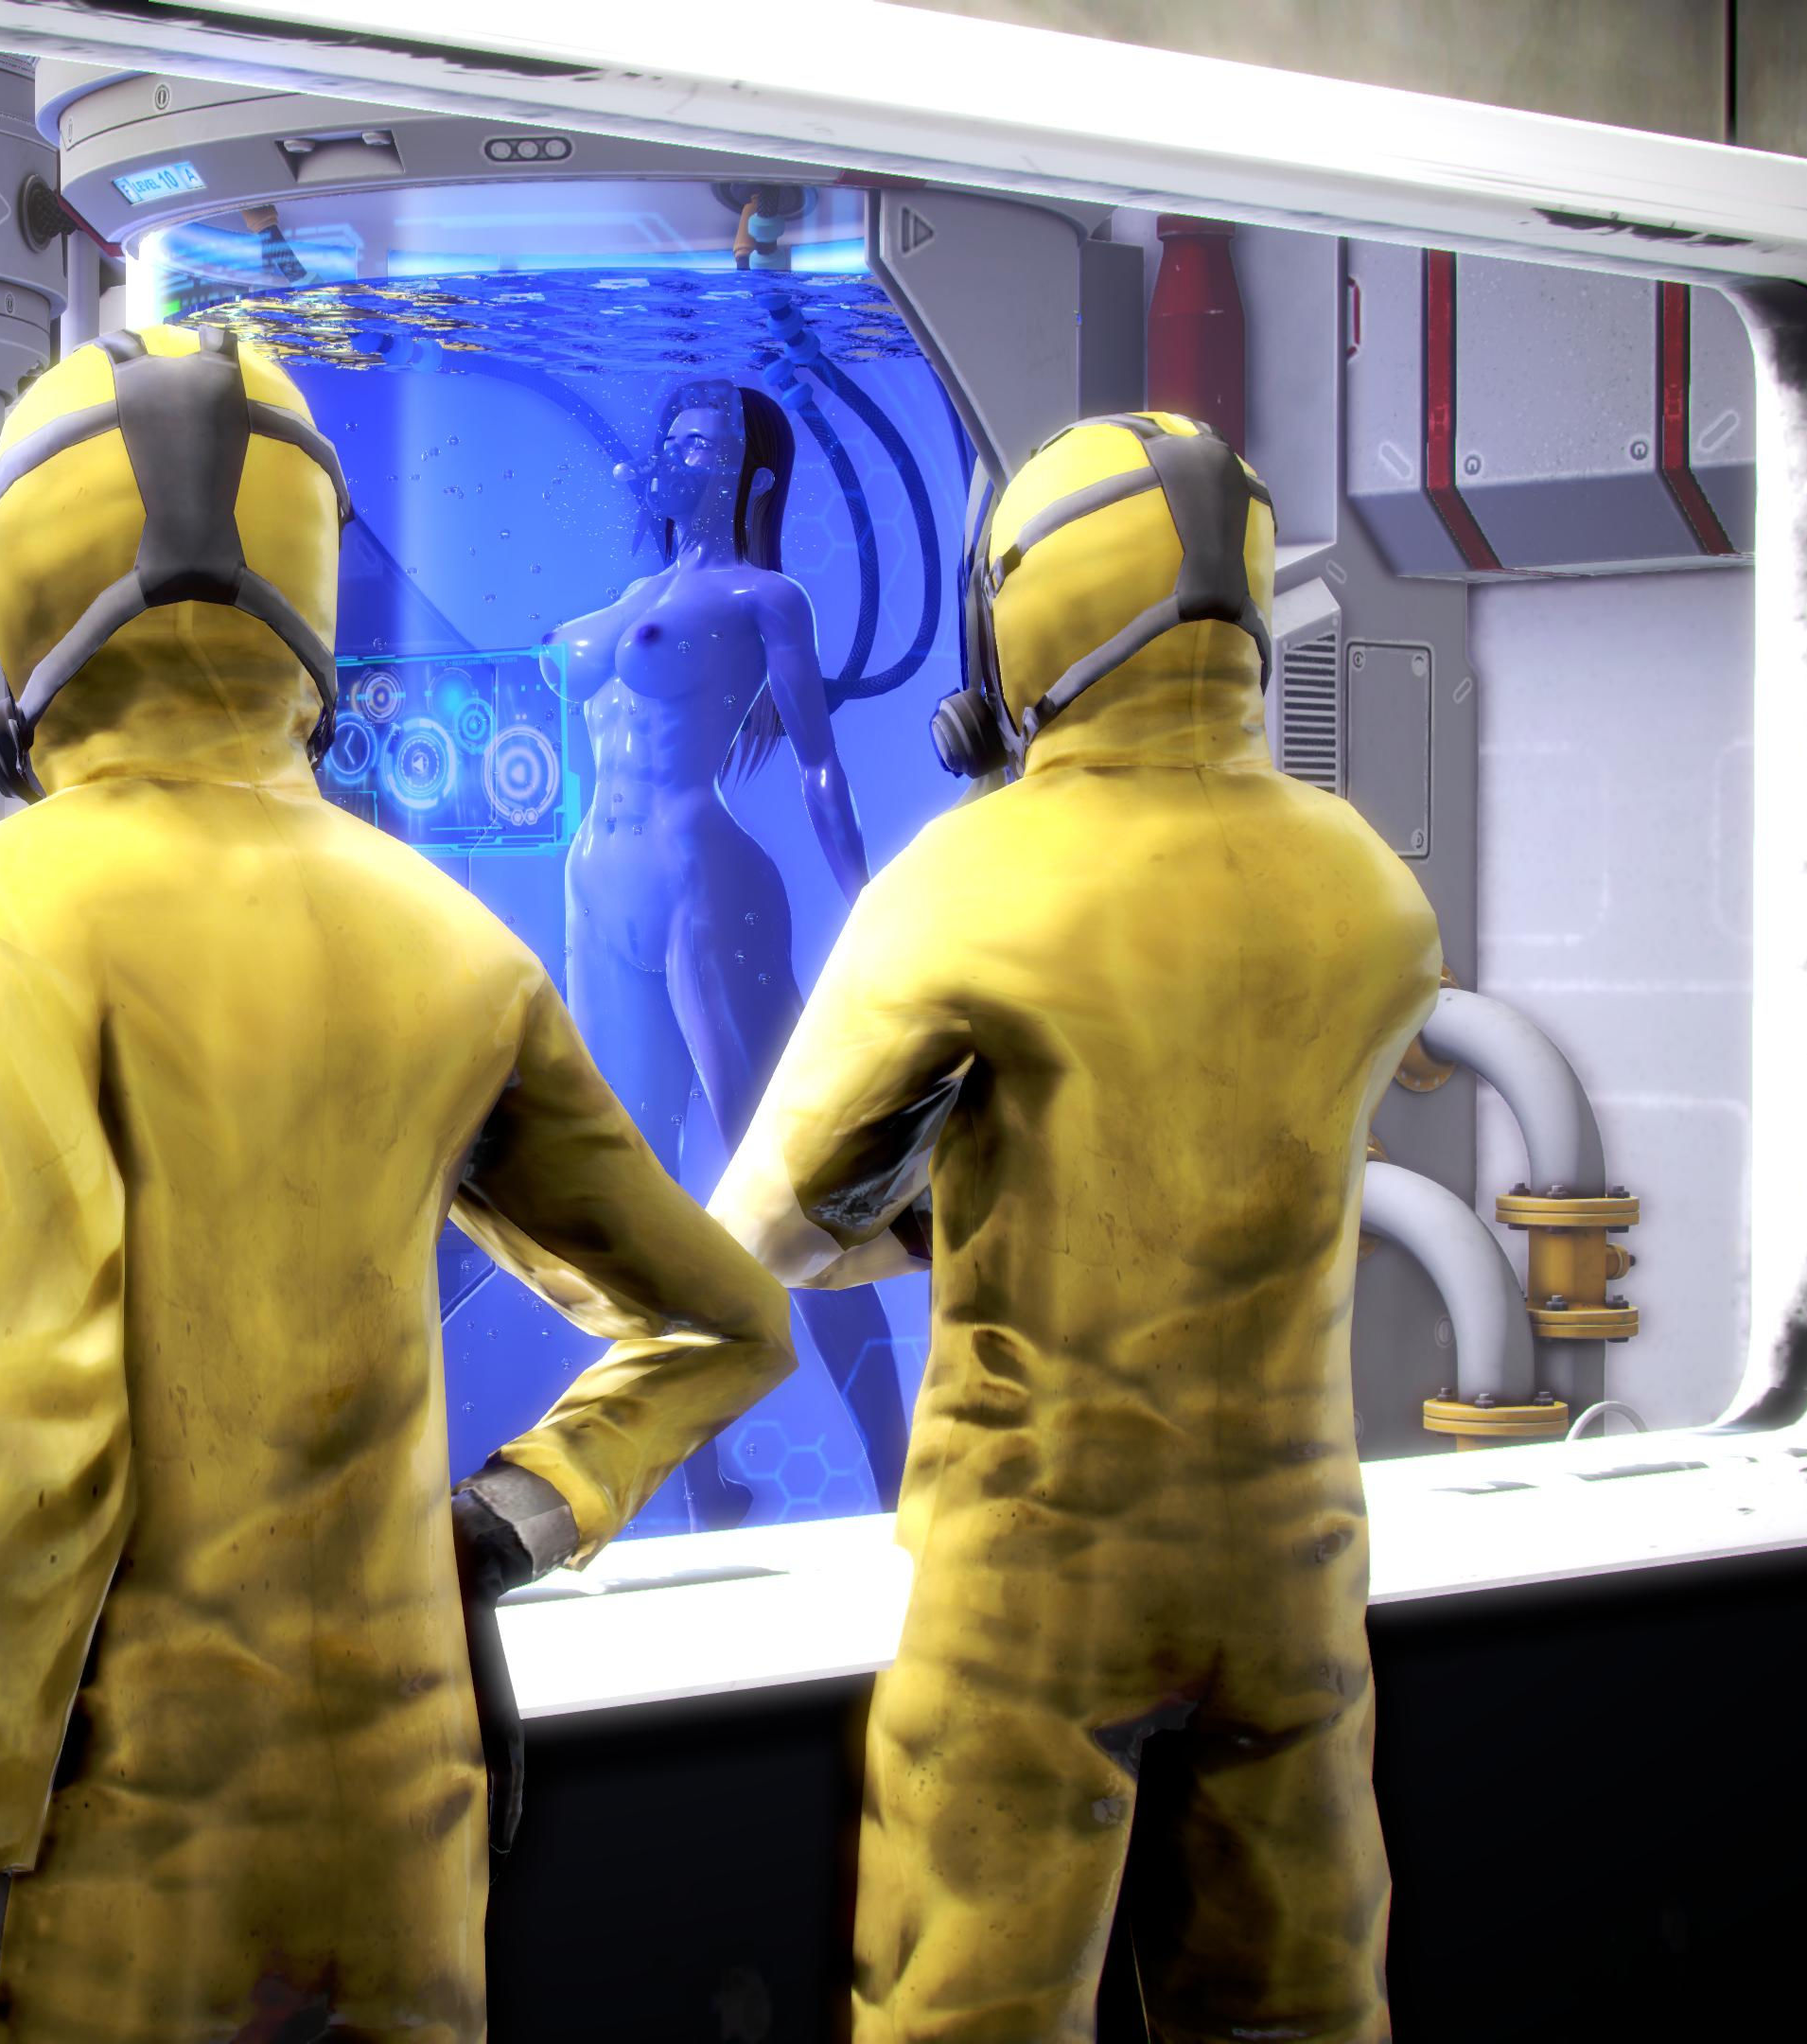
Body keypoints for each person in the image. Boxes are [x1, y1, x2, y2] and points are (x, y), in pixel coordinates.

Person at [0, 326, 798, 2044]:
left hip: (128, 1871)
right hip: (409, 1839)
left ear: (25, 574)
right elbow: (730, 1323)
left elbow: (39, 1467)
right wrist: (502, 1528)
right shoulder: (454, 944)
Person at [663, 412, 1435, 2040]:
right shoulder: (1373, 891)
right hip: (1291, 1583)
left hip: (1033, 1581)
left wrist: (946, 1214)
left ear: (1015, 619)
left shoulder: (969, 881)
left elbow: (766, 1238)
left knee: (968, 2009)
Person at [549, 377, 908, 1518]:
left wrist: (870, 907)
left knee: (787, 1190)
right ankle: (702, 1482)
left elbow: (818, 763)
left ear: (753, 477)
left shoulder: (767, 597)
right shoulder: (629, 596)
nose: (679, 454)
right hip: (597, 893)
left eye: (705, 443)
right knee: (638, 1192)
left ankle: (896, 1472)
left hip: (705, 889)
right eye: (674, 434)